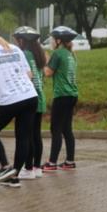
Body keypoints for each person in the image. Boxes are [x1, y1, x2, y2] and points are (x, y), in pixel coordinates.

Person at [0, 24, 39, 188]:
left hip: (11, 98)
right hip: (30, 96)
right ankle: (14, 175)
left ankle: (5, 167)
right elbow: (29, 74)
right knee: (23, 137)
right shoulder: (15, 49)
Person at [12, 26, 47, 179]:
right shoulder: (38, 54)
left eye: (17, 40)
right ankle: (37, 167)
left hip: (29, 98)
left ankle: (28, 168)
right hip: (40, 98)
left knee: (27, 136)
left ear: (21, 41)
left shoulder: (24, 54)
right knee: (36, 135)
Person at [44, 26, 79, 171]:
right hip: (72, 95)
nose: (51, 42)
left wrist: (44, 61)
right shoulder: (71, 54)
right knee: (67, 129)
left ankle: (52, 163)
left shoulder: (57, 54)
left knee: (56, 129)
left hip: (61, 96)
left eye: (52, 39)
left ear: (58, 41)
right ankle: (69, 161)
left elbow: (47, 73)